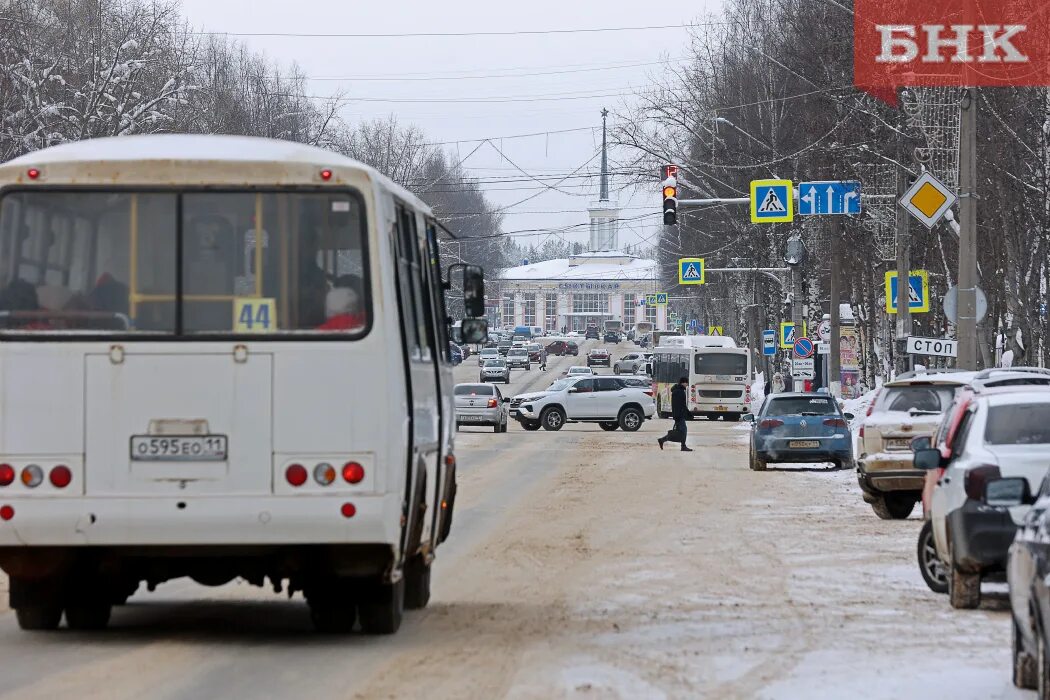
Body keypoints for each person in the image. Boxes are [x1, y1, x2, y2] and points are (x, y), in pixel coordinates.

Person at [658, 376, 693, 452]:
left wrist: (688, 413)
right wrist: (678, 415)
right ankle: (683, 446)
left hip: (679, 414)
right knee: (683, 431)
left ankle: (662, 440)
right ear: (683, 382)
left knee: (681, 431)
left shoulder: (679, 390)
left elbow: (682, 405)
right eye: (686, 383)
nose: (687, 385)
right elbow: (678, 405)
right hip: (679, 415)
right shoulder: (678, 392)